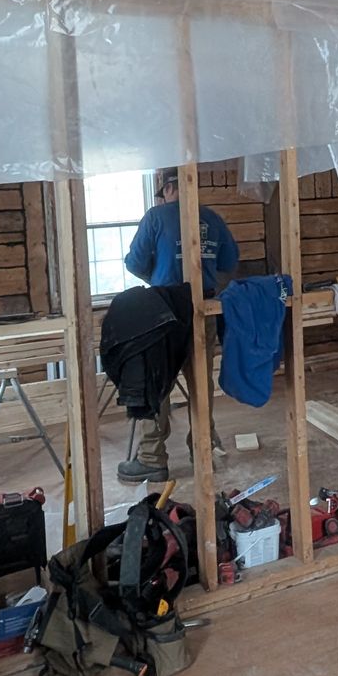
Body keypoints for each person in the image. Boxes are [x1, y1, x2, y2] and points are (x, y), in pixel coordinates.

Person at [116, 168, 239, 482]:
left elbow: (133, 263)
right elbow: (229, 263)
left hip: (165, 311)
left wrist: (159, 284)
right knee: (201, 383)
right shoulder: (212, 218)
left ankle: (151, 459)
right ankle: (203, 452)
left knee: (156, 382)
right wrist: (202, 286)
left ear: (168, 188)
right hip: (204, 306)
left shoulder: (156, 217)